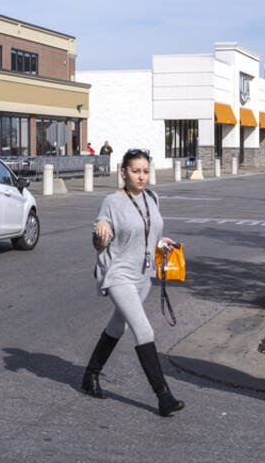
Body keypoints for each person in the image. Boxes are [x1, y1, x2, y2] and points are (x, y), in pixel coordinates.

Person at [78, 148, 184, 416]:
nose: (141, 177)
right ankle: (163, 396)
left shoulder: (152, 197)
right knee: (144, 331)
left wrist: (161, 243)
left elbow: (148, 233)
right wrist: (101, 235)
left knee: (118, 327)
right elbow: (98, 241)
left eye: (145, 171)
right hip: (119, 275)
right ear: (123, 172)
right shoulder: (112, 202)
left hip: (143, 277)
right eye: (135, 171)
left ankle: (90, 375)